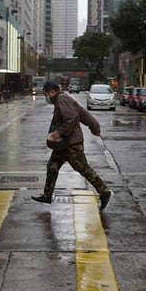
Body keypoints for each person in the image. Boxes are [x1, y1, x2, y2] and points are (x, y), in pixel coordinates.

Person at [32, 82, 112, 210]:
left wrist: (58, 133)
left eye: (46, 94)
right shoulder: (63, 99)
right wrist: (95, 128)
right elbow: (83, 114)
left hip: (71, 144)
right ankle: (47, 195)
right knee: (52, 166)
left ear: (52, 91)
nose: (45, 97)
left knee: (83, 168)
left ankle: (104, 192)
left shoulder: (61, 99)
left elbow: (72, 117)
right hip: (64, 144)